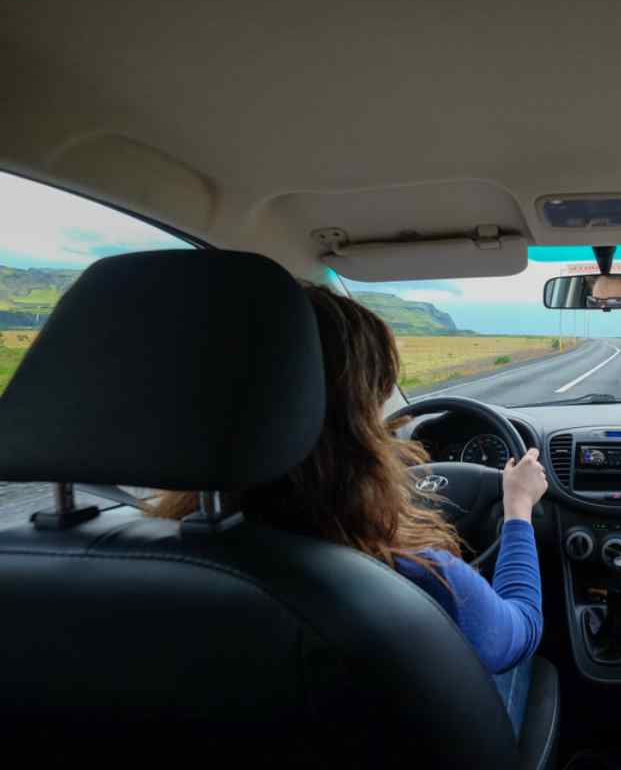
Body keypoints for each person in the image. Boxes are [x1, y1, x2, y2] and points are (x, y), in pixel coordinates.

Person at [148, 284, 548, 735]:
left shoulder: (141, 560)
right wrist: (517, 509)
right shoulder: (412, 579)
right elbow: (521, 630)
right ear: (357, 427)